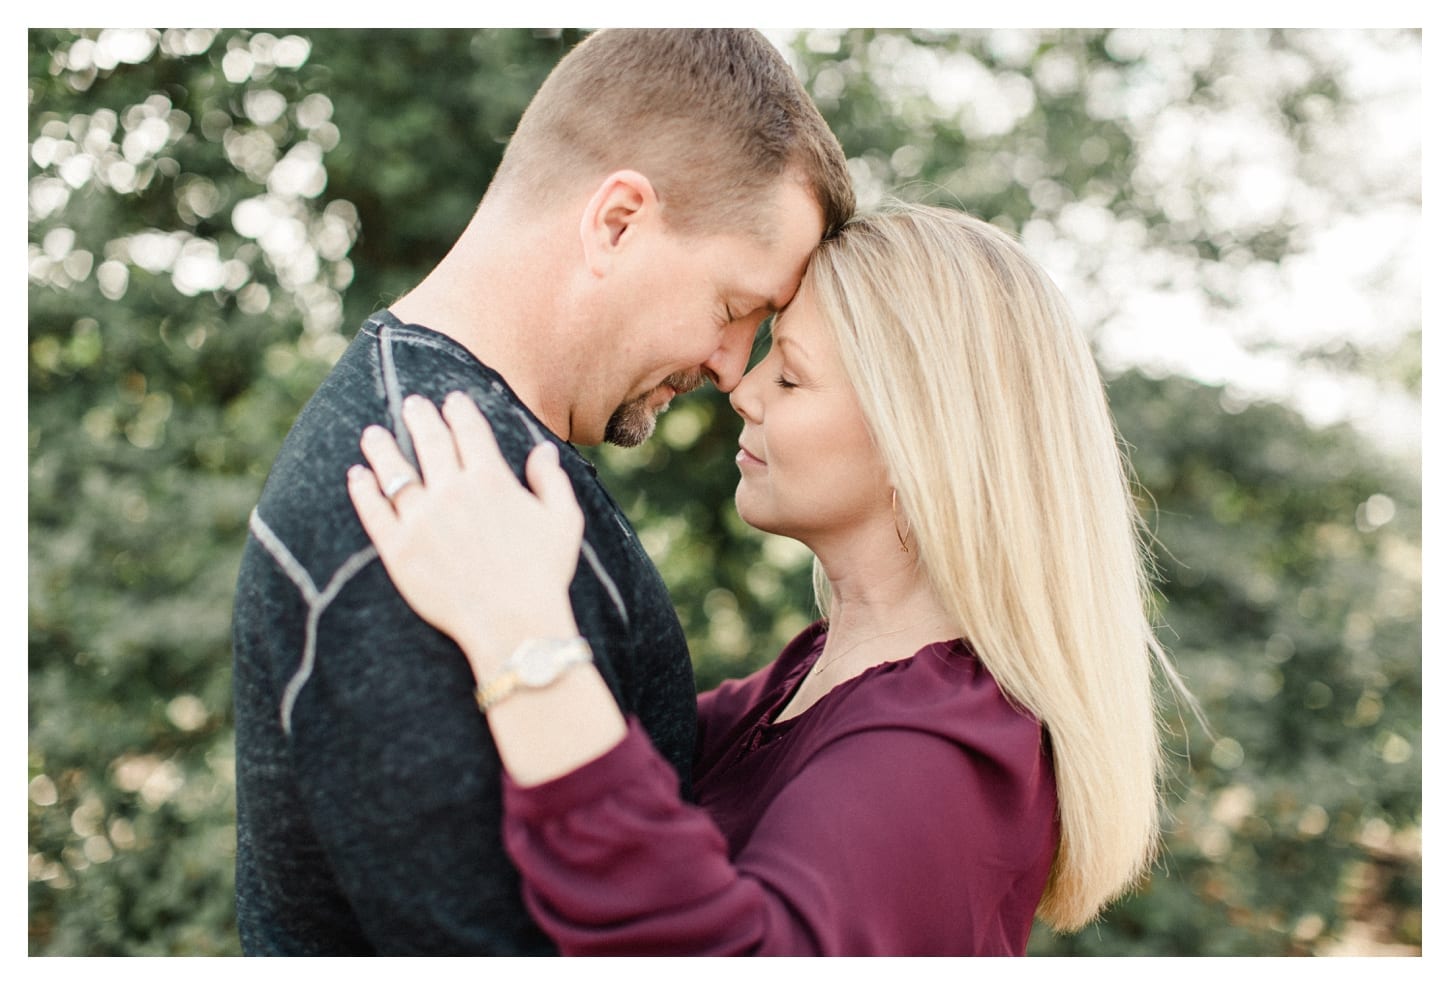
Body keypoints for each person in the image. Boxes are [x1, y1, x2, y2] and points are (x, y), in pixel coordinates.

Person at [346, 203, 1197, 956]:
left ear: (920, 443)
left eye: (790, 373)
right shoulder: (811, 674)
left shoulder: (941, 751)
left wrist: (521, 636)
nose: (744, 390)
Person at [231, 28, 855, 955]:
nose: (733, 369)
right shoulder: (425, 499)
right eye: (733, 310)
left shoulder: (478, 458)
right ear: (617, 221)